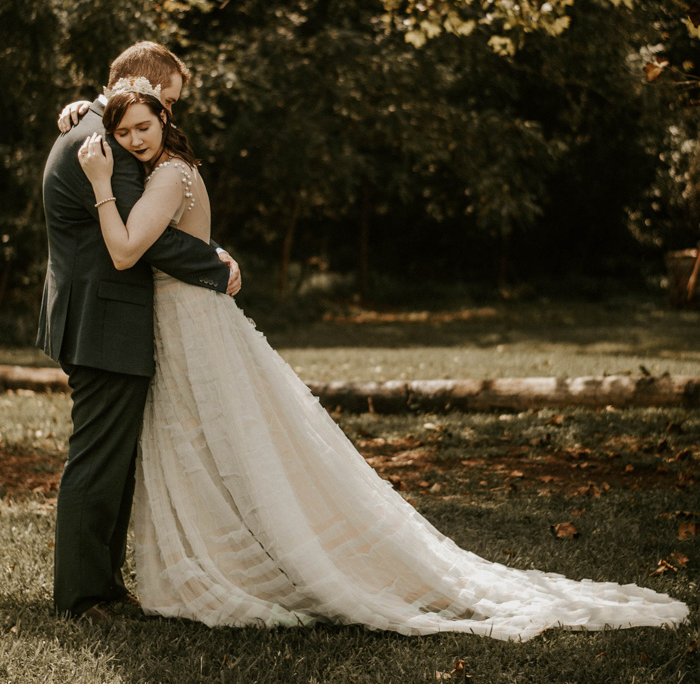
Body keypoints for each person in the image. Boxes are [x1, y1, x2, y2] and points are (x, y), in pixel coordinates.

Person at [74, 74, 689, 640]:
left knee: (221, 443)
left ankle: (253, 561)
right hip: (186, 317)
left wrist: (101, 183)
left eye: (143, 128)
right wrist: (81, 113)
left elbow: (128, 251)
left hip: (188, 320)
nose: (133, 140)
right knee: (205, 443)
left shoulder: (163, 174)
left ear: (164, 117)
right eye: (123, 133)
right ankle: (225, 551)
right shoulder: (176, 169)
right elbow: (189, 241)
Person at [38, 42, 241, 622]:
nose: (172, 114)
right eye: (169, 100)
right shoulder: (102, 145)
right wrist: (216, 261)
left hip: (98, 315)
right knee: (99, 460)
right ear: (143, 86)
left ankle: (102, 585)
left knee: (112, 458)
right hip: (102, 320)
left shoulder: (94, 126)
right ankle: (82, 598)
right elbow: (139, 239)